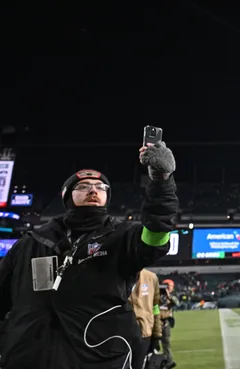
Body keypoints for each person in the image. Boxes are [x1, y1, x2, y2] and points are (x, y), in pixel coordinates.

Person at [0, 141, 178, 369]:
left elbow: (156, 237)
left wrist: (162, 183)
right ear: (66, 196)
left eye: (100, 187)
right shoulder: (31, 243)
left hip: (100, 357)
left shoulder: (122, 236)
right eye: (83, 186)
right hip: (30, 358)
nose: (93, 190)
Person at [129, 268, 163, 369]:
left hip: (144, 334)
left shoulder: (151, 278)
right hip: (122, 334)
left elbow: (156, 307)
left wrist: (157, 334)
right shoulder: (117, 276)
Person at [160, 278, 180, 368]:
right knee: (154, 343)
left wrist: (169, 296)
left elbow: (176, 303)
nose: (169, 288)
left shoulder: (172, 296)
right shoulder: (157, 294)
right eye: (167, 286)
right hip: (156, 321)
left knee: (166, 342)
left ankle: (168, 361)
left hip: (166, 321)